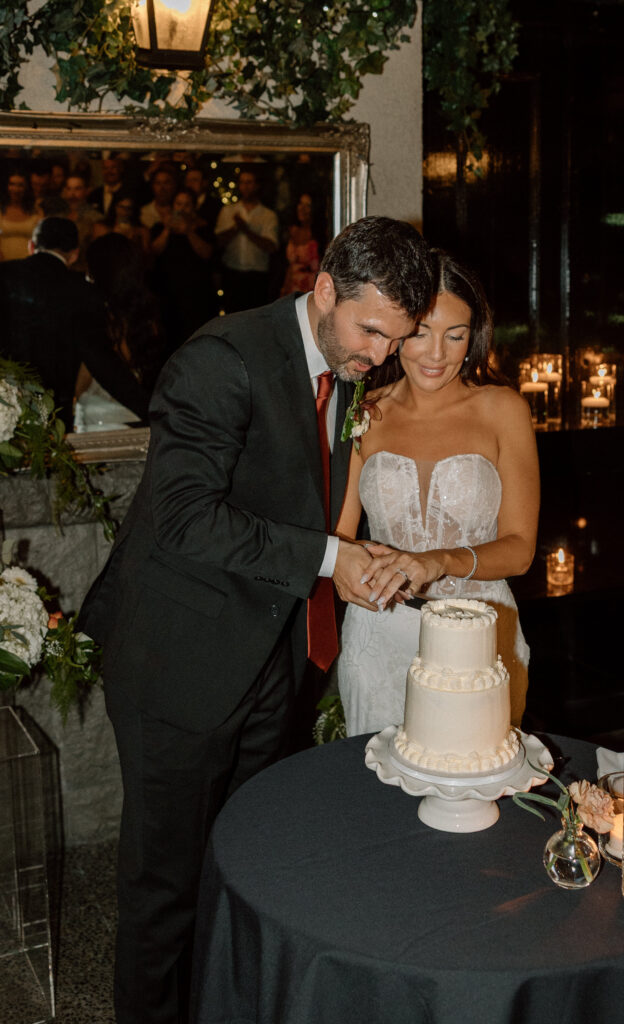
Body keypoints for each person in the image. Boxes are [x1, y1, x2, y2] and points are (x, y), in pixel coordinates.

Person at [77, 215, 435, 1024]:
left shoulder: (348, 363)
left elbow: (299, 493)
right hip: (178, 660)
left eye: (396, 338)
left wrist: (353, 555)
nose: (379, 356)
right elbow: (179, 516)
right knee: (162, 888)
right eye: (370, 330)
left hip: (268, 655)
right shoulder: (221, 360)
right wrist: (325, 557)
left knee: (240, 864)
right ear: (320, 290)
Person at [335, 250, 539, 734]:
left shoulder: (503, 410)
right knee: (375, 793)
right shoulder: (366, 411)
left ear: (474, 337)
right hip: (380, 631)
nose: (436, 354)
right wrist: (349, 569)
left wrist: (439, 560)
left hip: (483, 633)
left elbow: (520, 549)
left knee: (476, 797)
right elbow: (338, 537)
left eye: (455, 335)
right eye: (421, 333)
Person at [0, 217, 150, 427]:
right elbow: (100, 361)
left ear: (31, 246)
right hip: (53, 414)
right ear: (74, 254)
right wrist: (152, 411)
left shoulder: (4, 276)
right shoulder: (84, 293)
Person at [75, 233, 164, 431]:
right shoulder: (145, 314)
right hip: (138, 416)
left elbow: (84, 380)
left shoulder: (100, 317)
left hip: (101, 418)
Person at [149, 187, 217, 355]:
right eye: (179, 204)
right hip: (167, 292)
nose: (182, 208)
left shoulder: (203, 228)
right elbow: (154, 251)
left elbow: (207, 253)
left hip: (195, 295)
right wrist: (167, 228)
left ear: (194, 207)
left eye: (187, 204)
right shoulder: (160, 227)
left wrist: (188, 231)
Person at [215, 166, 279, 312]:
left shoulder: (268, 215)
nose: (246, 186)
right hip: (232, 274)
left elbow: (271, 247)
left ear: (257, 185)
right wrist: (235, 228)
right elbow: (218, 242)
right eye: (243, 182)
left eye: (249, 182)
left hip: (257, 277)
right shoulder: (228, 211)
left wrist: (246, 230)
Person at [280, 191, 322, 296]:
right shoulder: (292, 231)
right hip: (293, 289)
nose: (302, 209)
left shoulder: (320, 235)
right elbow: (290, 267)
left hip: (313, 290)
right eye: (300, 204)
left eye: (307, 206)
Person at [0, 167, 39, 261]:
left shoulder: (36, 211)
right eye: (12, 184)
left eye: (20, 185)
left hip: (28, 265)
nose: (16, 189)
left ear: (26, 187)